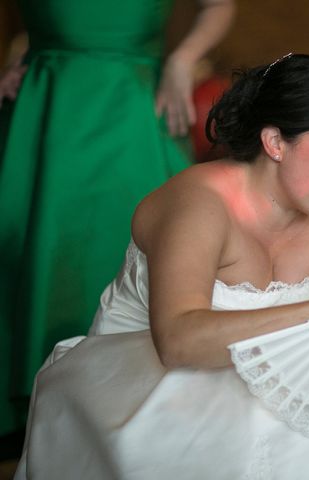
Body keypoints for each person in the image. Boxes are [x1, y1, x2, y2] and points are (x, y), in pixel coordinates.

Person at [14, 54, 309, 479]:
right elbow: (177, 342)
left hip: (284, 387)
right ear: (274, 142)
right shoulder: (198, 206)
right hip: (156, 385)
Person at [0, 0, 236, 446]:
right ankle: (28, 409)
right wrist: (16, 57)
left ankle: (118, 411)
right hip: (43, 102)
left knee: (131, 249)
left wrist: (183, 60)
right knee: (23, 250)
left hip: (133, 103)